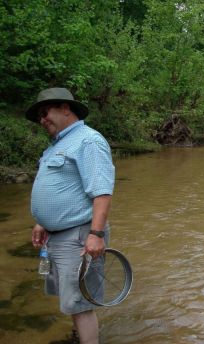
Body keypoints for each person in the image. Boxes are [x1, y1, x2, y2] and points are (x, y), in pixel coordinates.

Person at [27, 87, 115, 344]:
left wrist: (96, 235)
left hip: (78, 236)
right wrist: (42, 221)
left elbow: (101, 192)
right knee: (71, 297)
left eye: (45, 113)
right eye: (39, 116)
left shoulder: (89, 140)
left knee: (80, 303)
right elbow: (63, 189)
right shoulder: (58, 145)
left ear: (66, 108)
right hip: (56, 237)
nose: (42, 120)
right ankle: (79, 337)